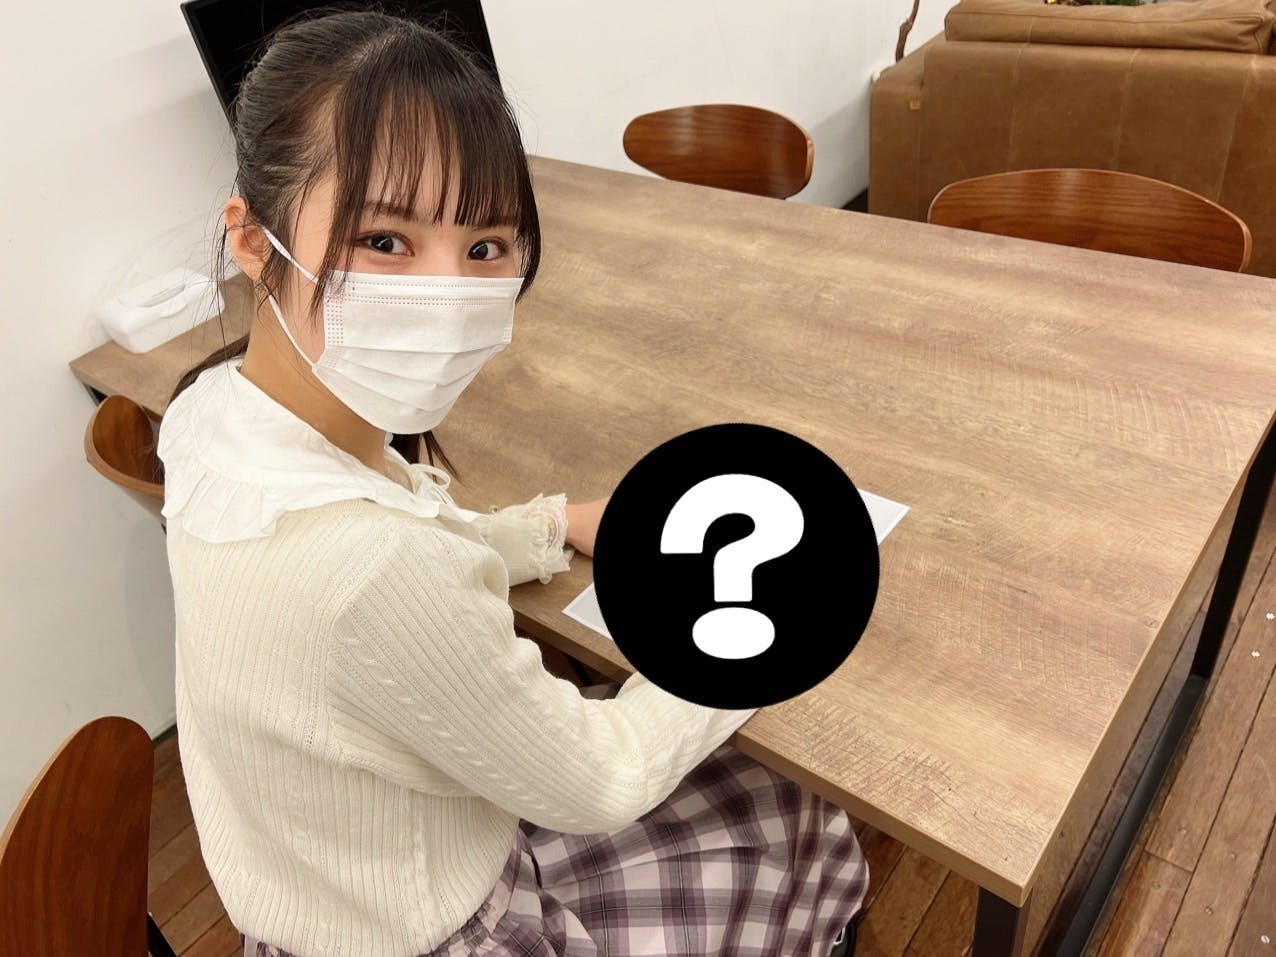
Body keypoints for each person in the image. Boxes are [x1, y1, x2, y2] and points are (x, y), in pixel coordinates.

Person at [158, 7, 869, 956]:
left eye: (484, 249)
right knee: (795, 814)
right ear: (254, 239)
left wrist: (550, 525)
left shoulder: (210, 417)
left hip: (332, 888)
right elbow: (601, 780)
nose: (446, 296)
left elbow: (389, 545)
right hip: (445, 926)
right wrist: (751, 634)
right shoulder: (372, 572)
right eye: (384, 240)